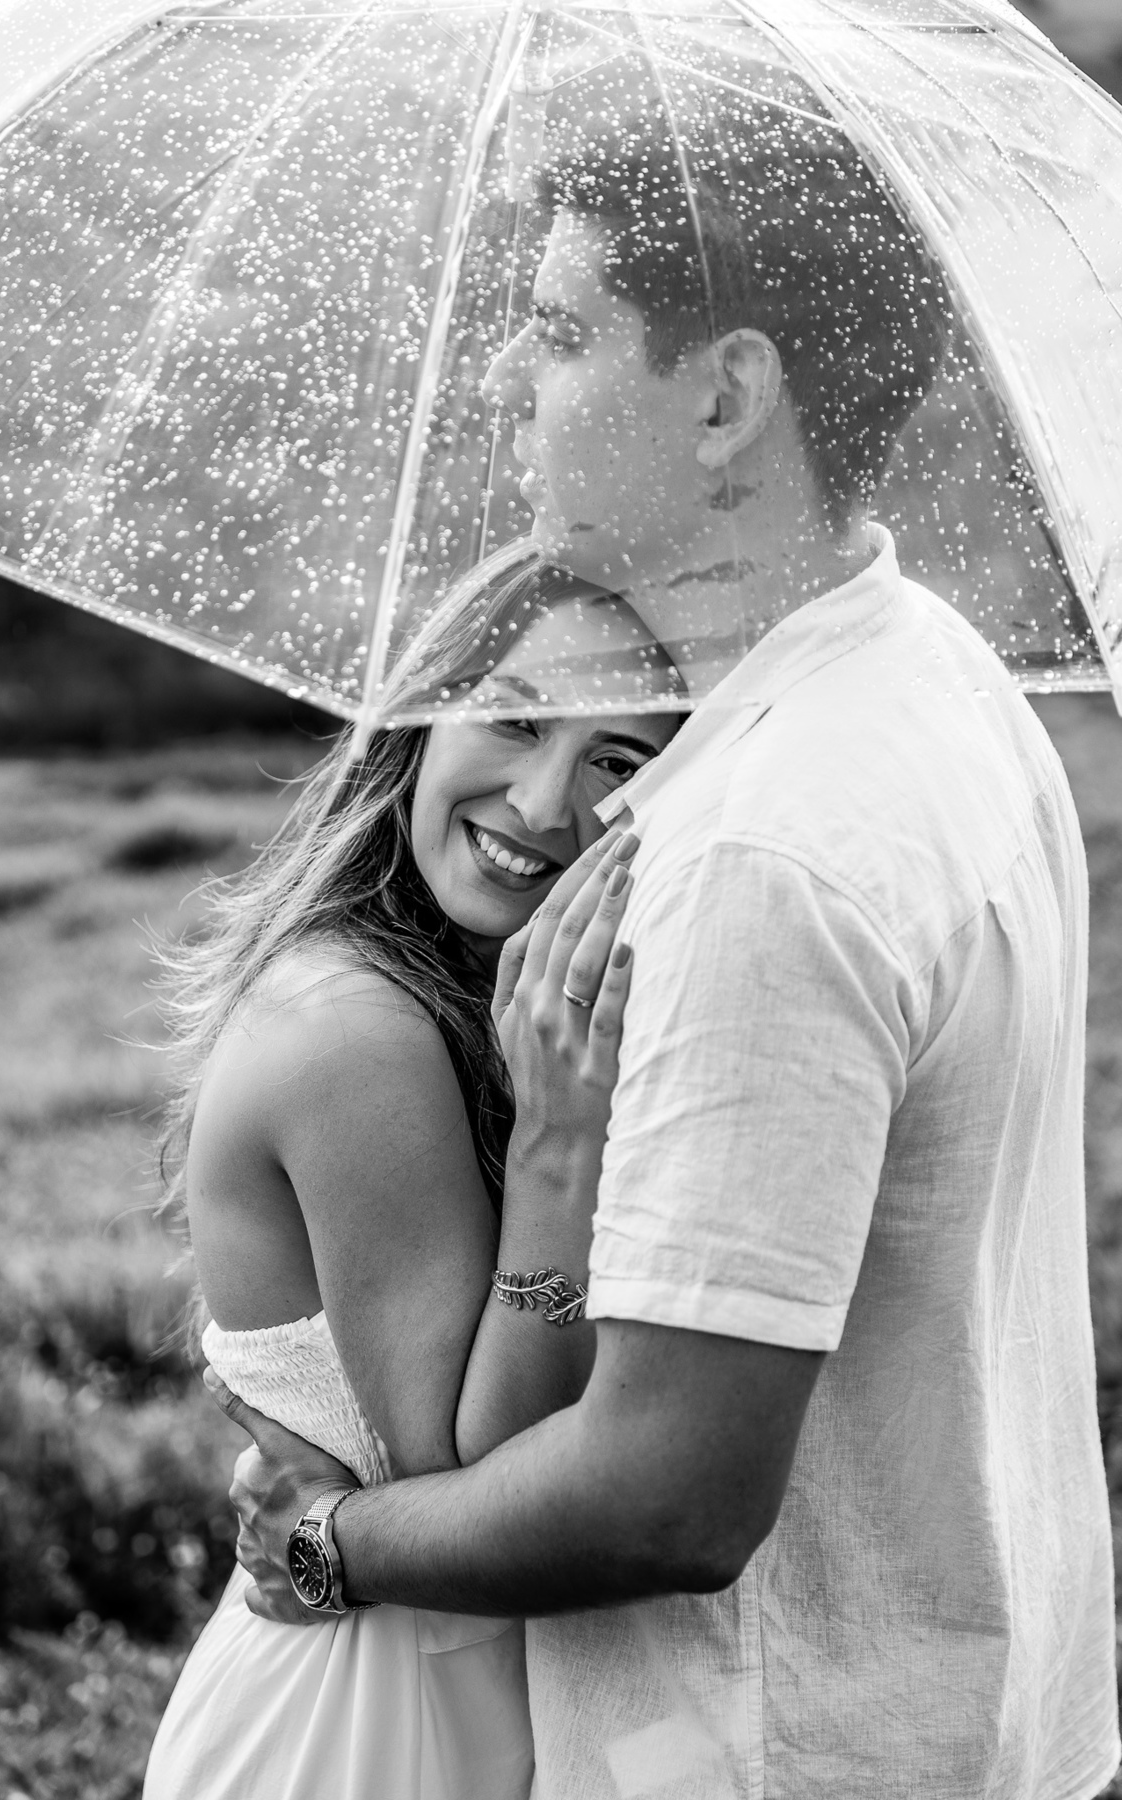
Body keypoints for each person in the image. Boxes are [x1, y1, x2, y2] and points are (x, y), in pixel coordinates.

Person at [212, 107, 1119, 1800]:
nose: (506, 378)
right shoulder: (943, 679)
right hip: (971, 1719)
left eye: (559, 332)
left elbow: (668, 1498)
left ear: (724, 398)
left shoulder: (763, 848)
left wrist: (333, 1543)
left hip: (778, 1755)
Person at [142, 543, 684, 1799]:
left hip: (484, 1682)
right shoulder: (354, 1029)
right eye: (517, 718)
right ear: (423, 713)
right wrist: (557, 1146)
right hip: (368, 1719)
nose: (542, 803)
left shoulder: (504, 1002)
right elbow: (460, 1476)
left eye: (618, 759)